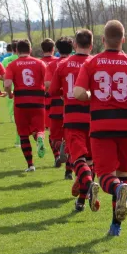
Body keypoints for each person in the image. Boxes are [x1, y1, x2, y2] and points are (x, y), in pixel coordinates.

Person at [74, 20, 127, 236]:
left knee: (106, 177)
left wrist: (91, 94)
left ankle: (117, 190)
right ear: (124, 39)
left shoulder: (91, 64)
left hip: (101, 126)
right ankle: (115, 226)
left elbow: (78, 92)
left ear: (102, 40)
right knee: (124, 175)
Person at [50, 30, 94, 212]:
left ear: (75, 44)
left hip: (72, 117)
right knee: (91, 161)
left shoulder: (63, 64)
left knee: (77, 158)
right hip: (94, 118)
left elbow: (52, 91)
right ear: (91, 45)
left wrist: (65, 94)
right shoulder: (96, 62)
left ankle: (90, 184)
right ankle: (82, 201)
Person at [4, 39, 48, 172]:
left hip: (20, 103)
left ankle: (30, 165)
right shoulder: (40, 63)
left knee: (23, 134)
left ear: (16, 51)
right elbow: (47, 83)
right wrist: (43, 93)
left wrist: (10, 93)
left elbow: (6, 84)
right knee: (39, 129)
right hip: (38, 102)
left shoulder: (12, 65)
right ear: (30, 50)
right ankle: (40, 138)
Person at [45, 37, 73, 178]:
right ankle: (68, 171)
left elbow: (48, 84)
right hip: (72, 106)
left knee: (54, 137)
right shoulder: (75, 63)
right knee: (71, 139)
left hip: (56, 105)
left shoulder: (52, 65)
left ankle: (58, 150)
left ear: (56, 49)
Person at [2, 40, 19, 143]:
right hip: (25, 90)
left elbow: (1, 76)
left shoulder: (6, 61)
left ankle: (19, 140)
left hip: (10, 90)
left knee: (14, 114)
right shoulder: (24, 59)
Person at [41, 38, 58, 133]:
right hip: (57, 96)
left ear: (42, 49)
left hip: (43, 97)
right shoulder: (58, 62)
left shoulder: (39, 62)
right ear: (53, 49)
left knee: (44, 128)